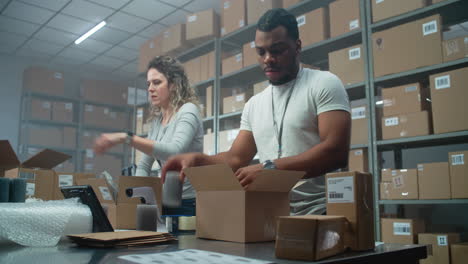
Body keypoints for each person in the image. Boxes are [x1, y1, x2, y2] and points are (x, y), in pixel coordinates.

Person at [162, 8, 351, 215]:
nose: (268, 58)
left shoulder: (324, 83)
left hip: (320, 212)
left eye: (277, 50)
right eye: (261, 52)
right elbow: (235, 158)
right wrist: (197, 160)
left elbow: (335, 151)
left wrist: (270, 169)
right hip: (270, 214)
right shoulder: (254, 104)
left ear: (297, 47)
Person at [93, 55, 204, 215]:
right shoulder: (158, 121)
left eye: (157, 82)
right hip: (165, 200)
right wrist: (138, 196)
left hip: (189, 203)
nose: (150, 88)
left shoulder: (188, 110)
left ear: (173, 84)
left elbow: (174, 151)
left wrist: (126, 137)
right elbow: (144, 165)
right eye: (148, 84)